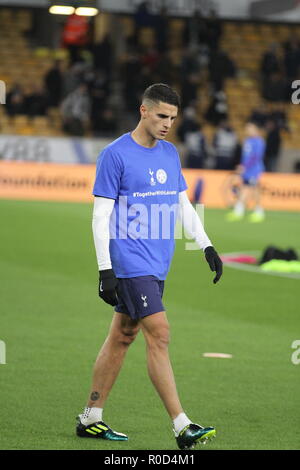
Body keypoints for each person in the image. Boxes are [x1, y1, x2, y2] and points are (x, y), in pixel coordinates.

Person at [76, 83, 223, 450]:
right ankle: (182, 425)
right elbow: (100, 216)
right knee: (159, 333)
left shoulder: (170, 153)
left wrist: (206, 245)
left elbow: (182, 204)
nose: (167, 124)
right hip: (129, 261)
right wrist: (105, 269)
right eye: (161, 116)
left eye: (172, 118)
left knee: (122, 336)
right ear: (143, 111)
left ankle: (90, 417)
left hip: (158, 263)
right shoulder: (115, 155)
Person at [226, 121, 266, 223]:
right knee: (250, 188)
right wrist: (242, 165)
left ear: (256, 129)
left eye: (250, 128)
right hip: (246, 170)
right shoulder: (247, 140)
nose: (248, 130)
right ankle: (255, 210)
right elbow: (246, 156)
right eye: (247, 128)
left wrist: (244, 166)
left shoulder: (259, 142)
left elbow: (256, 157)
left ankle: (243, 210)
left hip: (253, 170)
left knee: (249, 188)